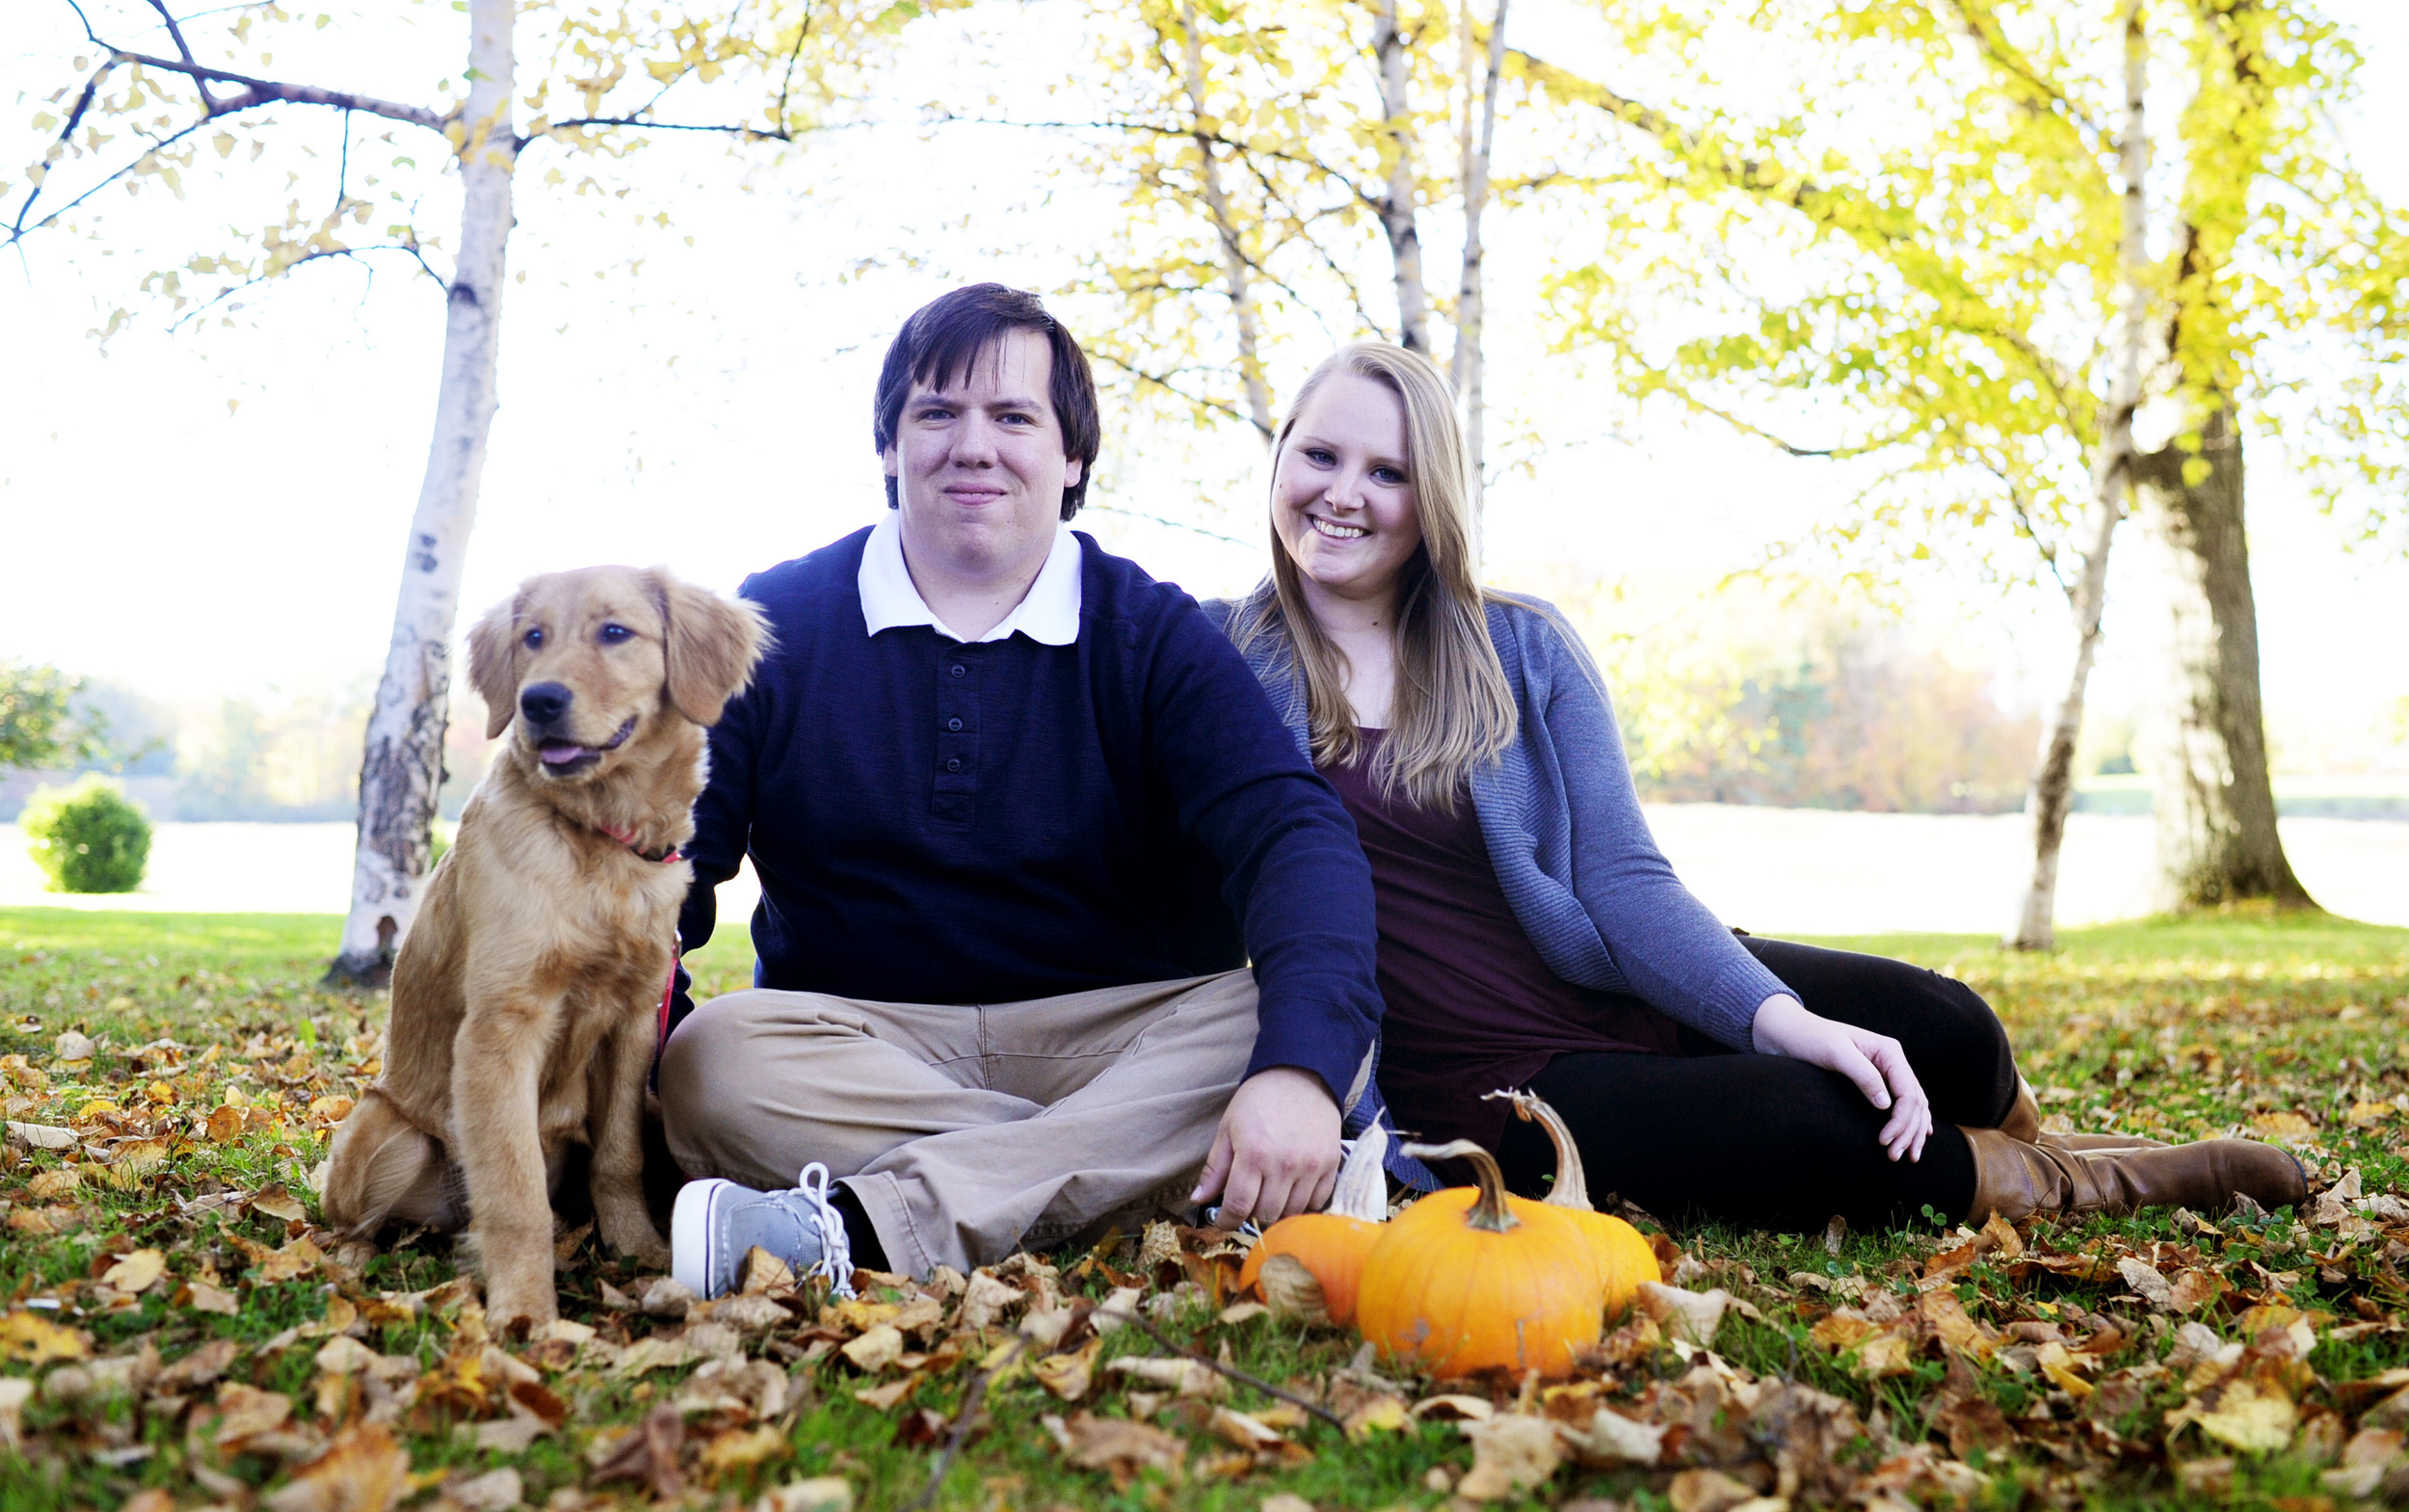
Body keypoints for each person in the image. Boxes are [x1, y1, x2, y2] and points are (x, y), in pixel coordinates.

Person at [1214, 340, 2307, 1231]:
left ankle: (2036, 1141)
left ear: (1430, 496)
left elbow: (1622, 876)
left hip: (1608, 980)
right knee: (1813, 1123)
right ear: (1279, 460)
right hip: (1481, 1076)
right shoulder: (1216, 663)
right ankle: (2099, 1184)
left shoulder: (1522, 646)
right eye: (1319, 456)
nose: (1342, 496)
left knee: (1944, 1025)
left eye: (1387, 471)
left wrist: (1781, 1017)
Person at [655, 284, 1386, 1295]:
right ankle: (1125, 1175)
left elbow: (1294, 839)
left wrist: (1295, 1079)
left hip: (1128, 1037)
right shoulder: (770, 627)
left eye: (1013, 417)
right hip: (861, 1045)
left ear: (1072, 456)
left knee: (1293, 1031)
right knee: (710, 1061)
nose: (973, 445)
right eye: (937, 413)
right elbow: (662, 869)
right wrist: (625, 1097)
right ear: (888, 446)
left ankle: (859, 1229)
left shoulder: (1153, 634)